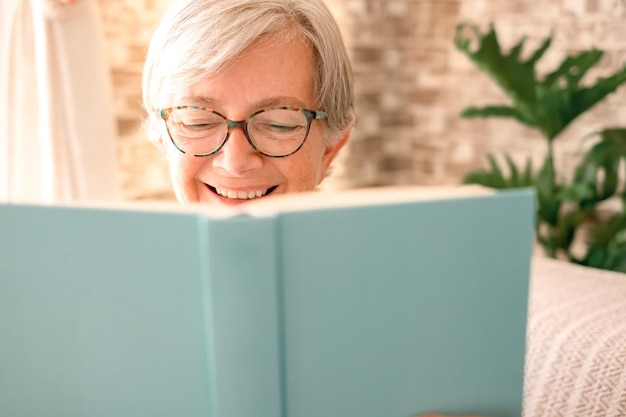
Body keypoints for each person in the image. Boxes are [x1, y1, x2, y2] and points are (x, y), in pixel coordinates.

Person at [143, 1, 491, 416]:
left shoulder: (414, 314)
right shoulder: (115, 299)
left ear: (331, 148)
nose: (235, 160)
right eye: (197, 120)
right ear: (161, 136)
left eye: (279, 122)